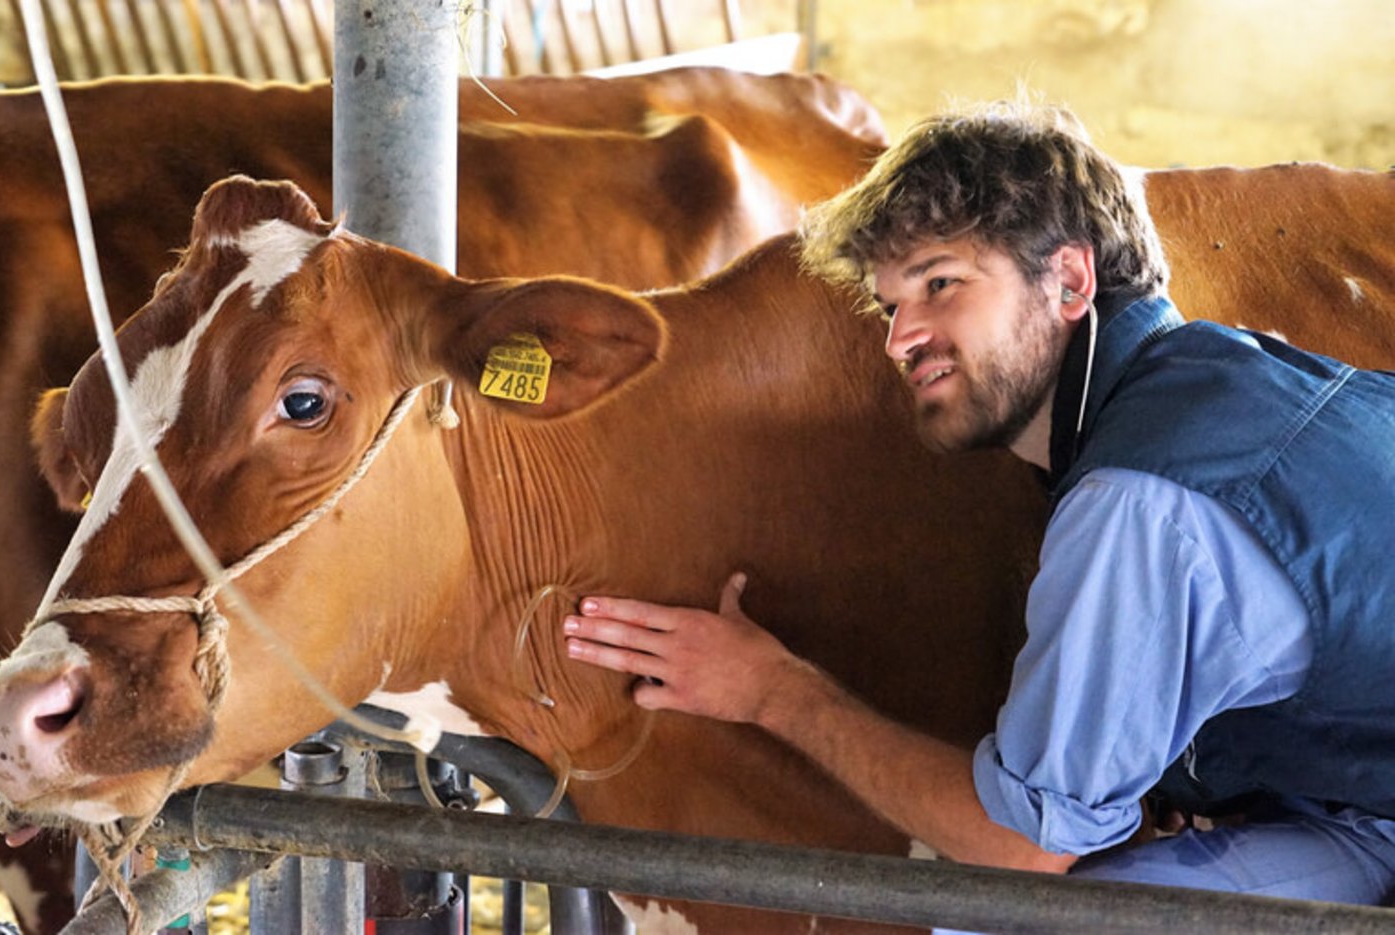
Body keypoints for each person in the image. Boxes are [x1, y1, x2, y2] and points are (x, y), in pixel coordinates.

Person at [562, 100, 1395, 903]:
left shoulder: (1139, 499)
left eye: (940, 283)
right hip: (1350, 795)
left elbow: (1023, 849)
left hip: (1367, 817)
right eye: (891, 305)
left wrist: (771, 690)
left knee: (1007, 914)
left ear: (1069, 279)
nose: (899, 338)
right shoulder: (1217, 374)